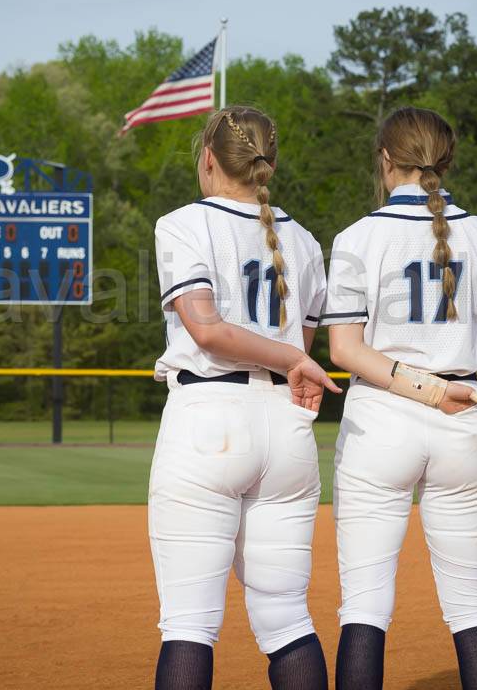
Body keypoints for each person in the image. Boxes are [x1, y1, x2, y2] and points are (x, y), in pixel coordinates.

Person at [149, 106, 341, 690]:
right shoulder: (304, 240)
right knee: (286, 618)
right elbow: (299, 349)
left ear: (209, 159)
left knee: (189, 624)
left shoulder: (182, 223)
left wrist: (286, 360)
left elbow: (206, 331)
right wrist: (287, 360)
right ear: (268, 164)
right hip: (284, 432)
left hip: (208, 420)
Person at [324, 107, 477, 690]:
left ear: (386, 159)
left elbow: (345, 349)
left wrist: (419, 387)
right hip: (463, 414)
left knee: (365, 607)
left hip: (381, 419)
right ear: (447, 161)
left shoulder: (356, 237)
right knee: (471, 607)